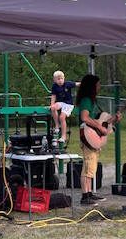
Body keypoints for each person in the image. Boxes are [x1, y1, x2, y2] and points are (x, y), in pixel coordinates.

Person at [76, 74, 121, 205]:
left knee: (92, 166)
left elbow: (101, 122)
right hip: (87, 136)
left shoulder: (92, 101)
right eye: (98, 84)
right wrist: (100, 128)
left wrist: (114, 120)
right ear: (92, 86)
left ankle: (89, 193)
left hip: (92, 136)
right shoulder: (86, 100)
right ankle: (85, 196)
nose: (99, 87)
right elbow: (85, 118)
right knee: (88, 166)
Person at [50, 70, 80, 142]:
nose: (60, 80)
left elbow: (77, 84)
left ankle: (63, 136)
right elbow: (53, 96)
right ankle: (57, 126)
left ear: (64, 78)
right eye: (58, 79)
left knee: (62, 117)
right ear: (55, 80)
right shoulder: (54, 86)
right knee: (53, 108)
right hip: (61, 102)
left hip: (68, 104)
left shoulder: (67, 84)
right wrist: (51, 105)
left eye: (61, 79)